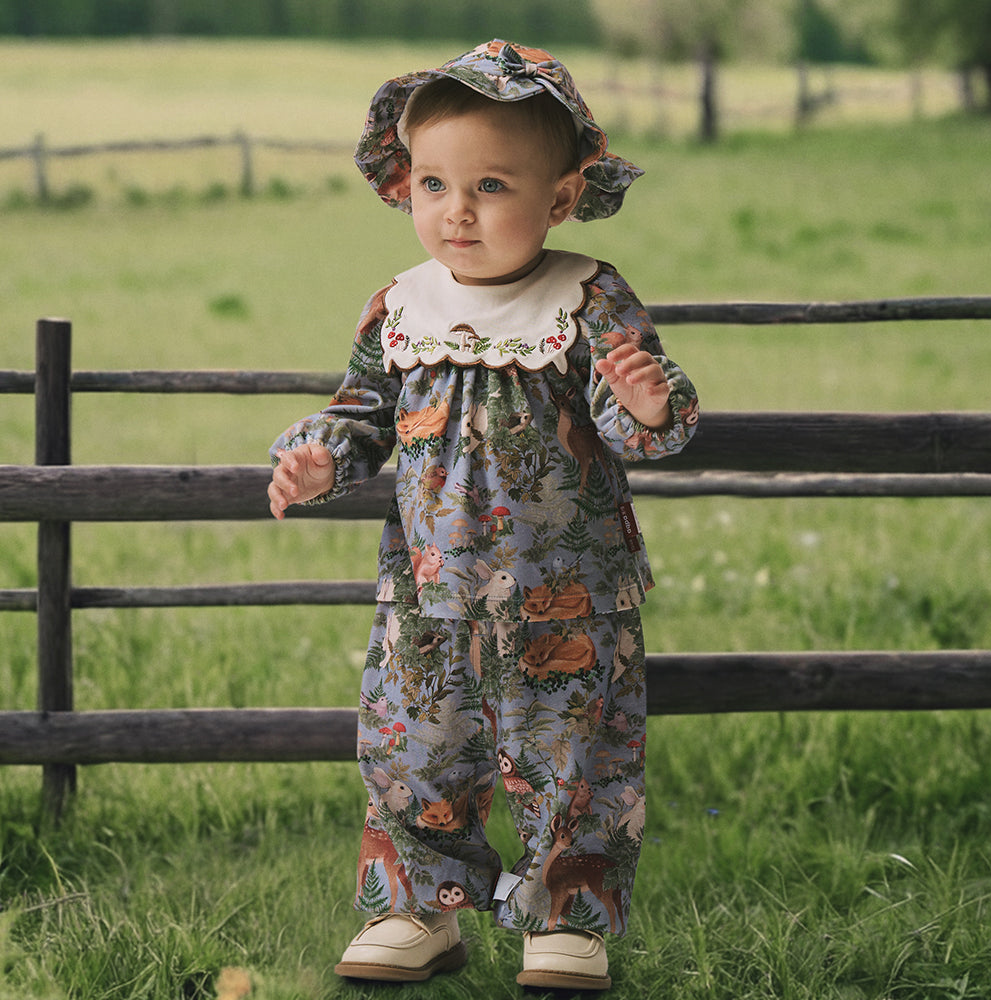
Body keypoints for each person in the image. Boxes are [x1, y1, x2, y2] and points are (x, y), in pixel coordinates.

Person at [268, 39, 699, 992]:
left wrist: (650, 405)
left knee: (573, 751)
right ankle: (420, 908)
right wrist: (315, 462)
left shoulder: (587, 297)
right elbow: (363, 414)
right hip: (427, 592)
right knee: (414, 747)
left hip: (568, 593)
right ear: (405, 184)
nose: (455, 211)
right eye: (432, 183)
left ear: (559, 197)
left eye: (491, 186)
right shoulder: (400, 307)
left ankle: (565, 917)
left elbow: (637, 422)